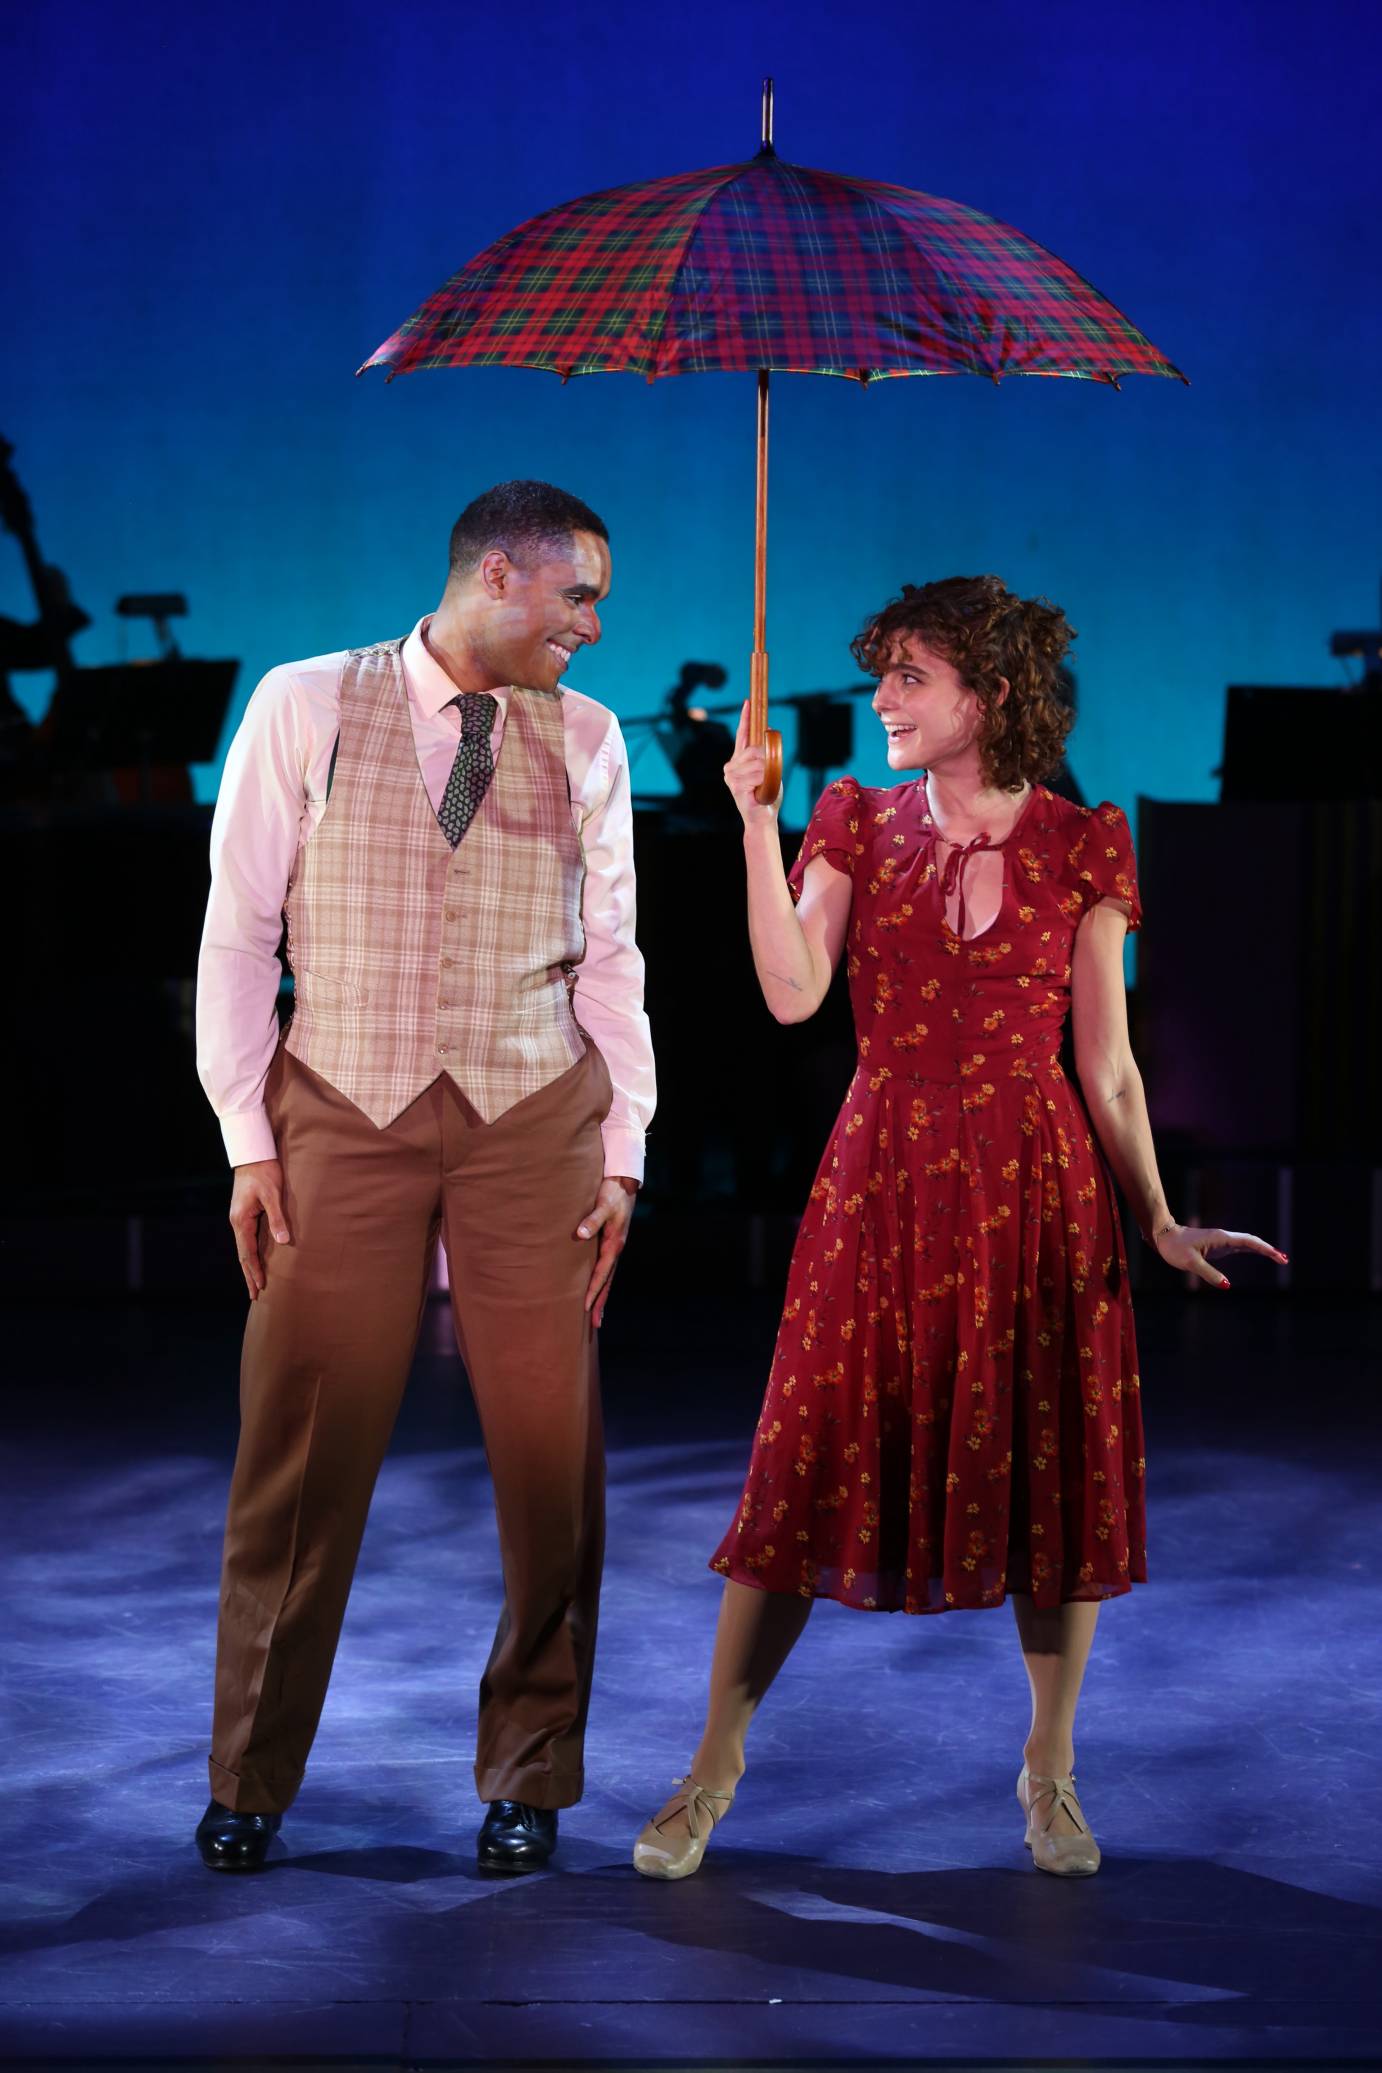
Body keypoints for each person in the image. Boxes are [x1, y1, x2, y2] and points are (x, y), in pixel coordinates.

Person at [633, 575, 1282, 1881]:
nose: (879, 700)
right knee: (803, 1460)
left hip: (1035, 1187)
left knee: (1051, 1468)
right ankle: (712, 1764)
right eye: (882, 675)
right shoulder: (857, 821)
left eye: (908, 677)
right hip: (882, 1174)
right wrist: (755, 826)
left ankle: (1048, 1767)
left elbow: (1103, 1064)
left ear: (988, 695)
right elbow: (788, 991)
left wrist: (1151, 1216)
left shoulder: (1081, 840)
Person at [195, 480, 654, 1875]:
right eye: (580, 597)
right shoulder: (306, 701)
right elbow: (236, 929)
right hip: (343, 1102)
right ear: (502, 578)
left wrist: (624, 1151)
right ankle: (250, 1774)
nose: (591, 628)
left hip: (532, 1112)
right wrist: (248, 1134)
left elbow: (615, 957)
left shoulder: (584, 736)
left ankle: (529, 1769)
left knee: (546, 1458)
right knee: (300, 1446)